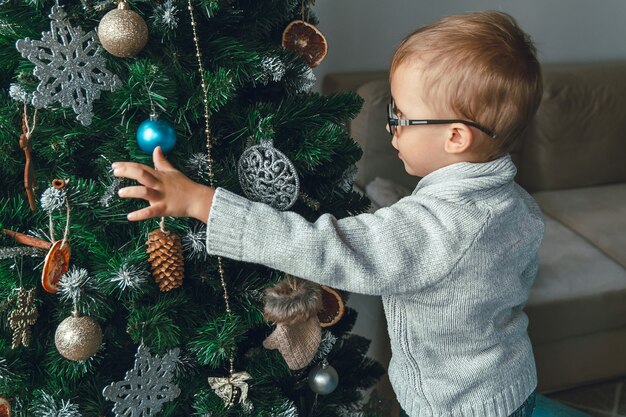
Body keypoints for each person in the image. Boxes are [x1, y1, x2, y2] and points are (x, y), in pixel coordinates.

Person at [112, 10, 544, 417]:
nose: (391, 126)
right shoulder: (518, 204)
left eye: (402, 115)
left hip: (453, 407)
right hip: (511, 382)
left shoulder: (435, 227)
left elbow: (322, 248)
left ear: (455, 137)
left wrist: (201, 203)